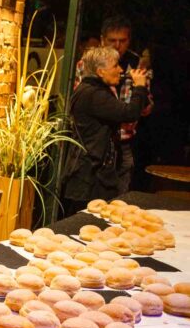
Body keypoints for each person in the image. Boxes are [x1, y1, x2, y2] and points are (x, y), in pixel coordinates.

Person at [61, 46, 149, 215]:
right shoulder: (94, 94)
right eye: (115, 66)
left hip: (90, 173)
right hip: (89, 176)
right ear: (100, 72)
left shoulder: (92, 90)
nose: (121, 70)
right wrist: (139, 87)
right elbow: (129, 113)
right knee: (88, 220)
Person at [100, 15, 153, 193]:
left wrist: (142, 92)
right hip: (97, 140)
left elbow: (146, 108)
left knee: (121, 196)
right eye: (112, 41)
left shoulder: (137, 64)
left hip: (124, 141)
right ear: (102, 40)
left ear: (129, 41)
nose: (117, 46)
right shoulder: (90, 62)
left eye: (122, 41)